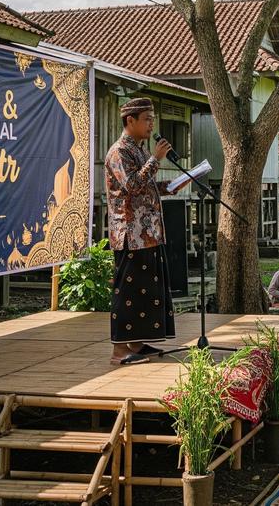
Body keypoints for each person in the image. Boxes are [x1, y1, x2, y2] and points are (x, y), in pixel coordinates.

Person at [104, 97, 177, 366]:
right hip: (129, 235)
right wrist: (156, 159)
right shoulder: (119, 152)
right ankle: (119, 351)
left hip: (147, 234)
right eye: (146, 118)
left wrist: (169, 186)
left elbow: (146, 186)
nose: (151, 124)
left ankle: (135, 343)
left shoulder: (140, 150)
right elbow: (132, 186)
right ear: (130, 120)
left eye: (152, 118)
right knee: (128, 293)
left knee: (145, 291)